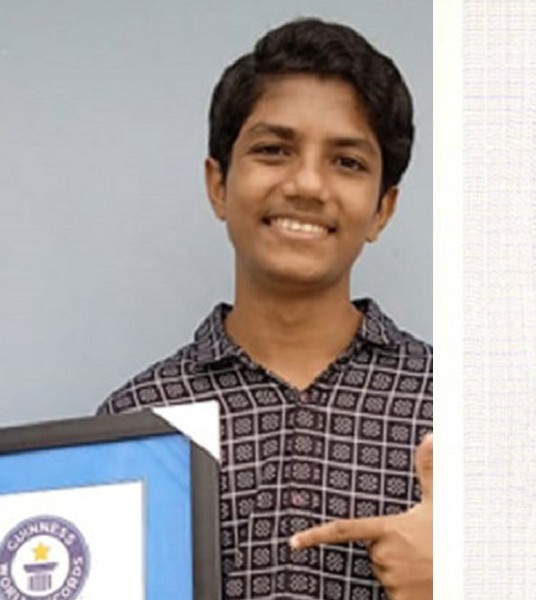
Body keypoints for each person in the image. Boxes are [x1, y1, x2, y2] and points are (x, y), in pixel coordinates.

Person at [98, 17, 432, 600]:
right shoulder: (135, 422)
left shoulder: (467, 410)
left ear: (383, 209)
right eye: (274, 150)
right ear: (219, 185)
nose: (306, 183)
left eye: (347, 161)